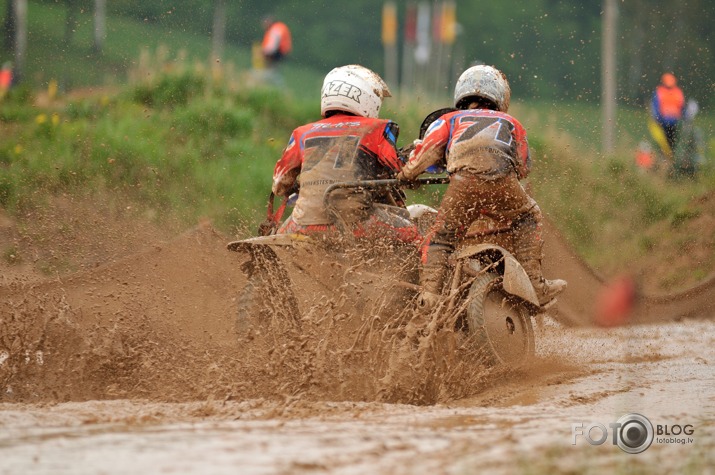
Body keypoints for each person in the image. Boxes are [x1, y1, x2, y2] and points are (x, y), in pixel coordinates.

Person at [396, 64, 567, 308]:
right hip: (505, 184)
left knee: (443, 237)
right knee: (528, 216)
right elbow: (524, 167)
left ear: (461, 94)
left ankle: (430, 296)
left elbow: (425, 153)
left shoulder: (450, 119)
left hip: (462, 184)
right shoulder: (512, 123)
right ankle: (536, 286)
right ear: (500, 96)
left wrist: (405, 175)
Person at [270, 65, 420, 245]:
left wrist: (299, 186)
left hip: (303, 223)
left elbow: (279, 185)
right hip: (356, 223)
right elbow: (396, 169)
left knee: (276, 238)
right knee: (416, 235)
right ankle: (431, 273)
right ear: (367, 97)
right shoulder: (378, 127)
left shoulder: (301, 133)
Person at [651, 72, 685, 155]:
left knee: (671, 142)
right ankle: (666, 156)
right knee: (664, 142)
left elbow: (682, 107)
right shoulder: (661, 91)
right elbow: (655, 107)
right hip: (664, 122)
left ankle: (670, 157)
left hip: (674, 122)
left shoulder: (676, 92)